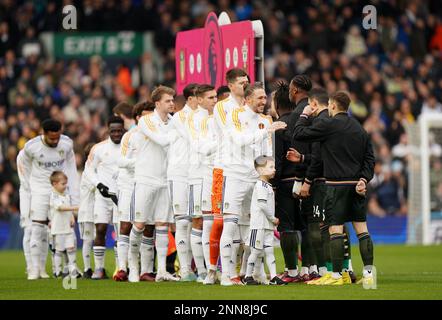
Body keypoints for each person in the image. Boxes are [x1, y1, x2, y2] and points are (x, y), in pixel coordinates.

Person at [293, 91, 375, 286]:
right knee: (362, 230)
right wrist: (364, 179)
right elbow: (370, 158)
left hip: (335, 187)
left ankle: (337, 276)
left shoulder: (328, 125)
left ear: (332, 105)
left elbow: (299, 134)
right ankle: (370, 276)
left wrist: (304, 115)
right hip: (356, 186)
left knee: (335, 230)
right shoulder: (359, 129)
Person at [219, 82, 286, 286]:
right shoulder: (235, 115)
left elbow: (267, 153)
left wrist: (267, 177)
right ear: (248, 99)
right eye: (259, 98)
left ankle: (254, 273)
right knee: (230, 225)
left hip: (255, 179)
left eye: (265, 98)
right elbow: (239, 141)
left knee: (253, 227)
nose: (263, 102)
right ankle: (227, 274)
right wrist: (267, 132)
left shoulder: (266, 120)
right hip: (235, 175)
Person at [129, 85, 178, 282]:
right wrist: (179, 135)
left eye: (173, 100)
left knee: (162, 225)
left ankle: (162, 272)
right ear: (157, 104)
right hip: (146, 179)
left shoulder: (174, 121)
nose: (172, 103)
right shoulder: (146, 121)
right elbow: (162, 141)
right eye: (168, 100)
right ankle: (133, 268)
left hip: (165, 179)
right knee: (140, 224)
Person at [22, 119, 80, 280]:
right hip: (40, 190)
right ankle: (35, 269)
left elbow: (71, 168)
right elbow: (24, 166)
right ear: (44, 133)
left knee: (64, 229)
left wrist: (73, 194)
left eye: (58, 137)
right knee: (38, 229)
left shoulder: (67, 144)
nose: (55, 141)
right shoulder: (31, 146)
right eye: (52, 138)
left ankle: (64, 267)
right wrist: (28, 188)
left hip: (60, 190)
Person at [210, 68, 249, 283]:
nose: (245, 85)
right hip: (226, 168)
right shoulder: (222, 107)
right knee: (226, 222)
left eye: (247, 81)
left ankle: (245, 271)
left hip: (248, 170)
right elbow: (233, 135)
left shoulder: (249, 105)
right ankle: (224, 272)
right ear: (231, 85)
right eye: (241, 82)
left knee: (246, 223)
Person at [114, 101, 155, 282]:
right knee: (126, 225)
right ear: (138, 118)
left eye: (151, 116)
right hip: (130, 184)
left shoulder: (158, 134)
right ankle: (123, 267)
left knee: (149, 227)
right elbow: (122, 161)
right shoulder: (130, 136)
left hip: (151, 184)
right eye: (145, 116)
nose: (149, 119)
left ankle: (145, 270)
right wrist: (141, 164)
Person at [84, 116, 125, 280]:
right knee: (100, 230)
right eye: (113, 131)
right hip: (103, 197)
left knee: (120, 234)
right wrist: (99, 185)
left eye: (119, 131)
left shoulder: (128, 147)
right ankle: (99, 268)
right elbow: (89, 170)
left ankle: (119, 268)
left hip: (122, 197)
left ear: (123, 129)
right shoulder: (98, 148)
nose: (116, 134)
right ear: (108, 130)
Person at [271, 81, 304, 283]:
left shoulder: (279, 126)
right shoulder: (304, 121)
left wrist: (273, 185)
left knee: (287, 228)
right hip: (306, 182)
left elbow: (277, 160)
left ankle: (292, 271)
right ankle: (311, 269)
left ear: (276, 103)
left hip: (285, 183)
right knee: (307, 227)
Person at [186, 84, 218, 283]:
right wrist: (223, 142)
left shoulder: (217, 117)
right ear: (199, 100)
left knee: (217, 221)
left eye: (215, 97)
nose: (215, 100)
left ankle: (214, 268)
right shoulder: (194, 119)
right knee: (200, 221)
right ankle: (202, 270)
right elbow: (200, 147)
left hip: (216, 172)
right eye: (210, 97)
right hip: (198, 175)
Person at [168, 83, 199, 282]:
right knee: (183, 222)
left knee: (197, 221)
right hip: (179, 174)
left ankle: (197, 268)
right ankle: (185, 269)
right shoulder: (179, 118)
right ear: (190, 99)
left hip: (195, 174)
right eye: (200, 97)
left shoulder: (203, 117)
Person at [244, 156, 286, 285]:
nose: (274, 170)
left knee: (269, 250)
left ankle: (273, 277)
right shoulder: (261, 185)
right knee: (255, 251)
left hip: (267, 225)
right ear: (261, 170)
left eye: (274, 167)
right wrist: (273, 218)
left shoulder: (267, 185)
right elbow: (262, 205)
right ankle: (247, 276)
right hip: (259, 225)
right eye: (271, 167)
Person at [48, 171, 81, 278]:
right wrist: (75, 208)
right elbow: (60, 208)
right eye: (63, 184)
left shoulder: (66, 195)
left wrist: (72, 217)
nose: (65, 186)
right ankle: (58, 271)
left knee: (71, 248)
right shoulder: (53, 196)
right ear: (54, 184)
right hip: (58, 228)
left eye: (66, 183)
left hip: (67, 227)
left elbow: (68, 207)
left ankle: (73, 270)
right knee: (59, 250)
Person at [77, 143, 96, 279]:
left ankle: (98, 268)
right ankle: (87, 269)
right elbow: (96, 188)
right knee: (88, 241)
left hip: (96, 212)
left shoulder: (95, 171)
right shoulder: (87, 173)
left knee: (98, 239)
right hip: (86, 212)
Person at [16, 149, 32, 276]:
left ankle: (41, 266)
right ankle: (30, 265)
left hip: (41, 194)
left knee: (43, 231)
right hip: (27, 194)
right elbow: (25, 181)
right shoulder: (22, 155)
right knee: (28, 229)